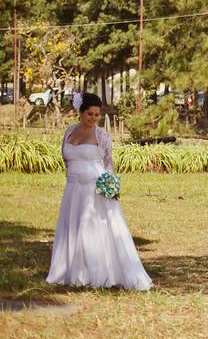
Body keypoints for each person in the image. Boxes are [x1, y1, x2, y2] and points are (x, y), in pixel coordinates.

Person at [46, 92, 152, 290]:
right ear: (81, 112)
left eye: (97, 115)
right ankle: (70, 270)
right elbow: (66, 158)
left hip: (93, 191)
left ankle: (95, 272)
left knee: (92, 229)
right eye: (90, 114)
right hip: (73, 189)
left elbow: (108, 162)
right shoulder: (69, 132)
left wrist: (108, 185)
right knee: (72, 227)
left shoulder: (101, 136)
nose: (94, 119)